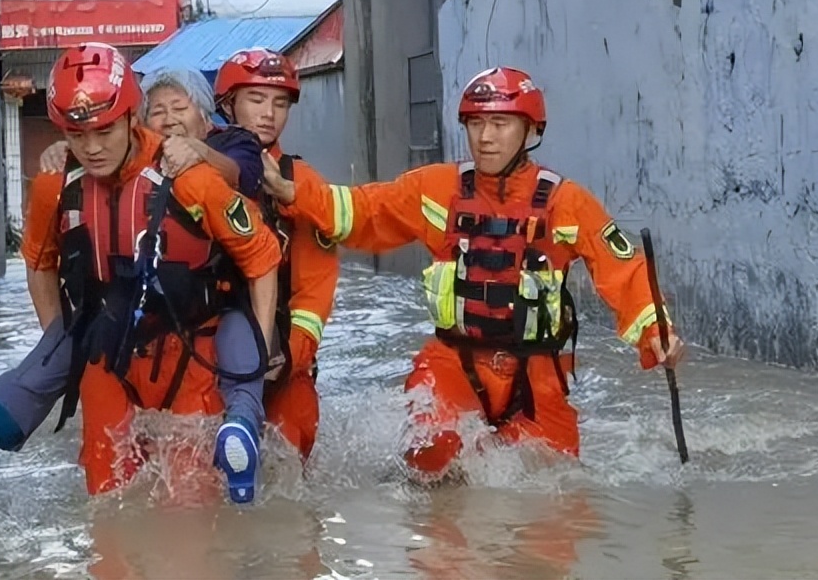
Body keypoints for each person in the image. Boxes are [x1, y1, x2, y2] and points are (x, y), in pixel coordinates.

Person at [262, 66, 687, 476]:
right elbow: (360, 212)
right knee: (431, 455)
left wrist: (656, 332)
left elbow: (623, 268)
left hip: (537, 376)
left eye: (500, 124)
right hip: (453, 363)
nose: (485, 138)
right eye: (475, 124)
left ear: (530, 130)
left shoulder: (566, 202)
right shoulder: (436, 187)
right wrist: (295, 193)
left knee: (555, 496)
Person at [0, 45, 281, 503]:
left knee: (191, 514)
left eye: (104, 130)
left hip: (191, 349)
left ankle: (243, 427)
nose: (92, 148)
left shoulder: (191, 174)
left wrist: (262, 343)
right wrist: (61, 346)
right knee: (109, 506)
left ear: (131, 117)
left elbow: (261, 255)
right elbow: (40, 261)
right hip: (107, 355)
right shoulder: (56, 182)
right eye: (76, 134)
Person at [212, 49, 340, 462]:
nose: (269, 113)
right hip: (205, 344)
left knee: (291, 453)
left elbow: (317, 290)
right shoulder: (196, 167)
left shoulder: (302, 183)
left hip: (281, 352)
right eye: (256, 100)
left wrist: (289, 355)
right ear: (228, 103)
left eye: (280, 103)